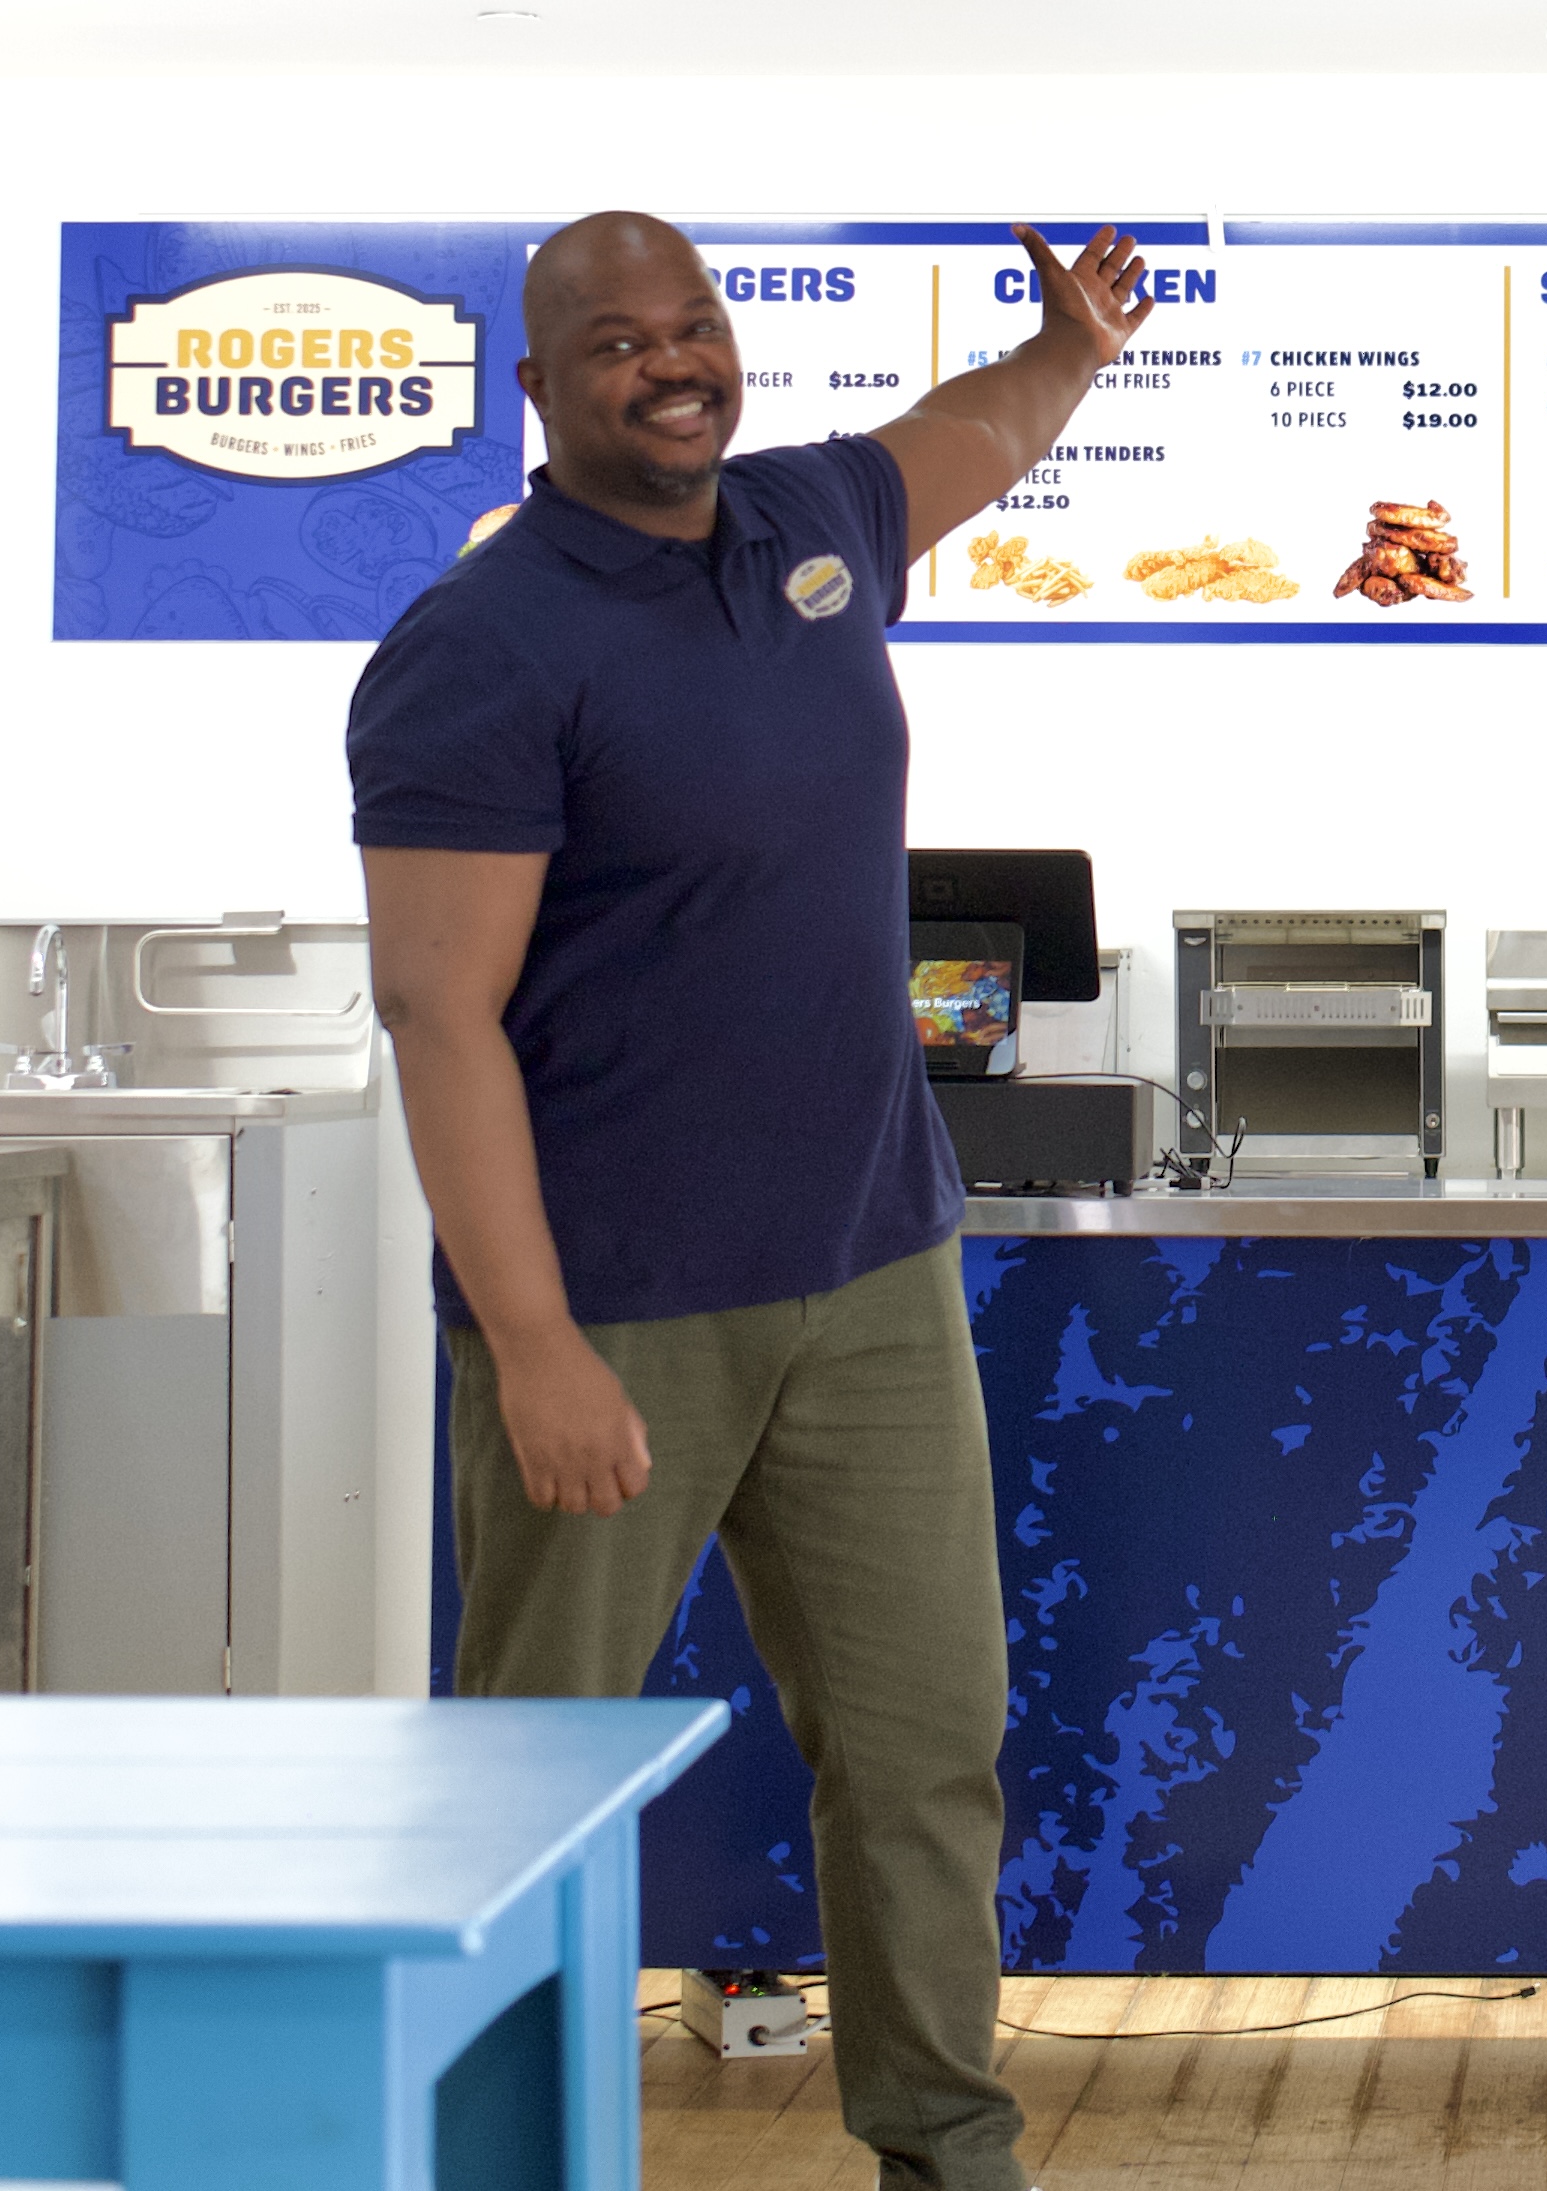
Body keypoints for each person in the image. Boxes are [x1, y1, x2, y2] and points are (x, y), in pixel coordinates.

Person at [349, 205, 1153, 2191]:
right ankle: (477, 2154)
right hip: (614, 1305)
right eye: (613, 341)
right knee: (527, 1779)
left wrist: (1076, 345)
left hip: (870, 1270)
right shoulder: (481, 647)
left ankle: (948, 2155)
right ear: (536, 389)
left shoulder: (807, 527)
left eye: (691, 323)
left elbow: (973, 436)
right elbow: (434, 1013)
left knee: (920, 1759)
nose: (669, 360)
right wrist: (529, 1341)